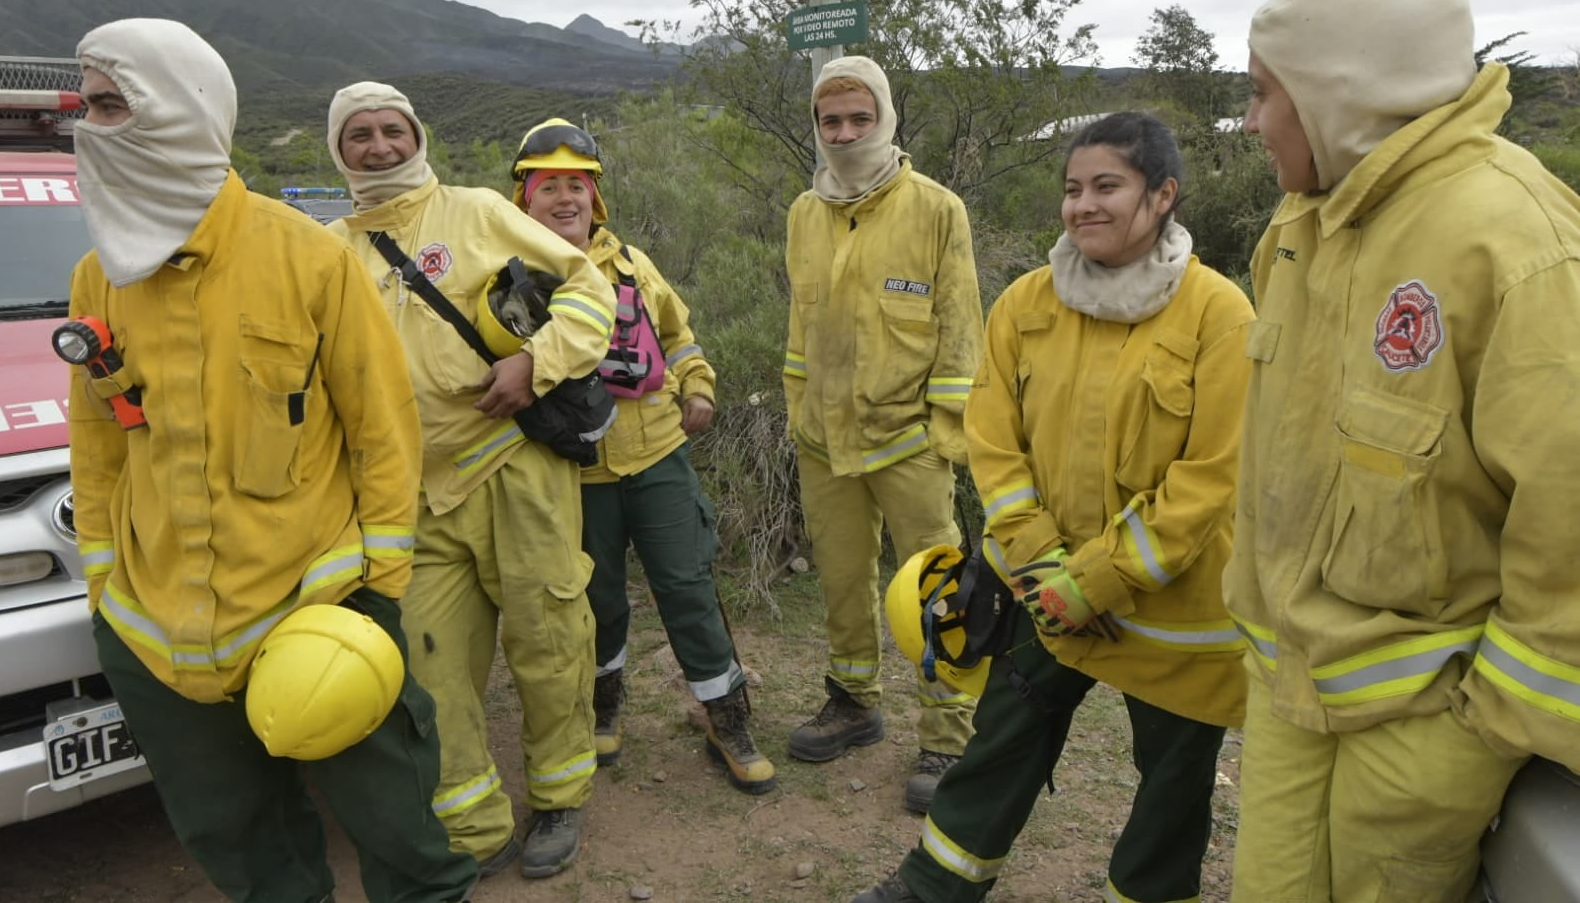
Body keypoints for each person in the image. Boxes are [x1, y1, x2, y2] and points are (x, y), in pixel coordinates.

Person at [66, 19, 478, 903]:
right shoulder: (99, 277)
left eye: (109, 105)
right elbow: (97, 442)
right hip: (157, 632)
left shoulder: (307, 255)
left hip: (315, 612)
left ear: (178, 113)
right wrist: (106, 589)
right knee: (245, 850)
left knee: (400, 835)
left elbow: (383, 427)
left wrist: (379, 588)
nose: (87, 127)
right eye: (87, 105)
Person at [1224, 0, 1580, 902]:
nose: (1251, 121)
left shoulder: (1511, 238)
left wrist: (1485, 731)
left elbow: (1568, 520)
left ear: (1337, 96)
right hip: (1290, 691)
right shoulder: (1300, 226)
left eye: (1265, 95)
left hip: (1428, 730)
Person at [856, 111, 1254, 903]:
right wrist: (1043, 567)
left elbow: (1212, 476)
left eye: (1107, 186)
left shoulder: (1218, 314)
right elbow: (992, 440)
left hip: (1174, 609)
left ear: (1162, 194)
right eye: (1072, 188)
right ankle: (933, 884)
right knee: (1001, 739)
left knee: (1173, 781)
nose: (1082, 205)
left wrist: (1096, 581)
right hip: (1043, 593)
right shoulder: (1027, 302)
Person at [326, 84, 615, 880]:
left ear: (416, 134)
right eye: (359, 136)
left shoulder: (477, 209)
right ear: (337, 151)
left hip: (511, 469)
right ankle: (474, 825)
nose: (379, 146)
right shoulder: (330, 249)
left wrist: (538, 361)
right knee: (429, 670)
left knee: (548, 639)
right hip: (408, 495)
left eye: (392, 130)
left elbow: (589, 288)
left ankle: (560, 798)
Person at [513, 117, 777, 794]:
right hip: (575, 471)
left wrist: (699, 387)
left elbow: (678, 336)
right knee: (595, 599)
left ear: (594, 199)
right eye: (549, 188)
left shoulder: (632, 265)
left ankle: (726, 717)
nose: (565, 199)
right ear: (525, 200)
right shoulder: (509, 278)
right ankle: (603, 709)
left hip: (657, 456)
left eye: (576, 186)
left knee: (687, 588)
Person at [782, 55, 984, 811]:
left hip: (909, 442)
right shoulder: (806, 212)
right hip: (822, 441)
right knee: (840, 579)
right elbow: (801, 324)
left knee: (935, 587)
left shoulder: (935, 209)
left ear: (885, 118)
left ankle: (947, 729)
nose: (844, 133)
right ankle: (853, 700)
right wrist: (798, 406)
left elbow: (962, 326)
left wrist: (945, 432)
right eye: (830, 120)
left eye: (858, 118)